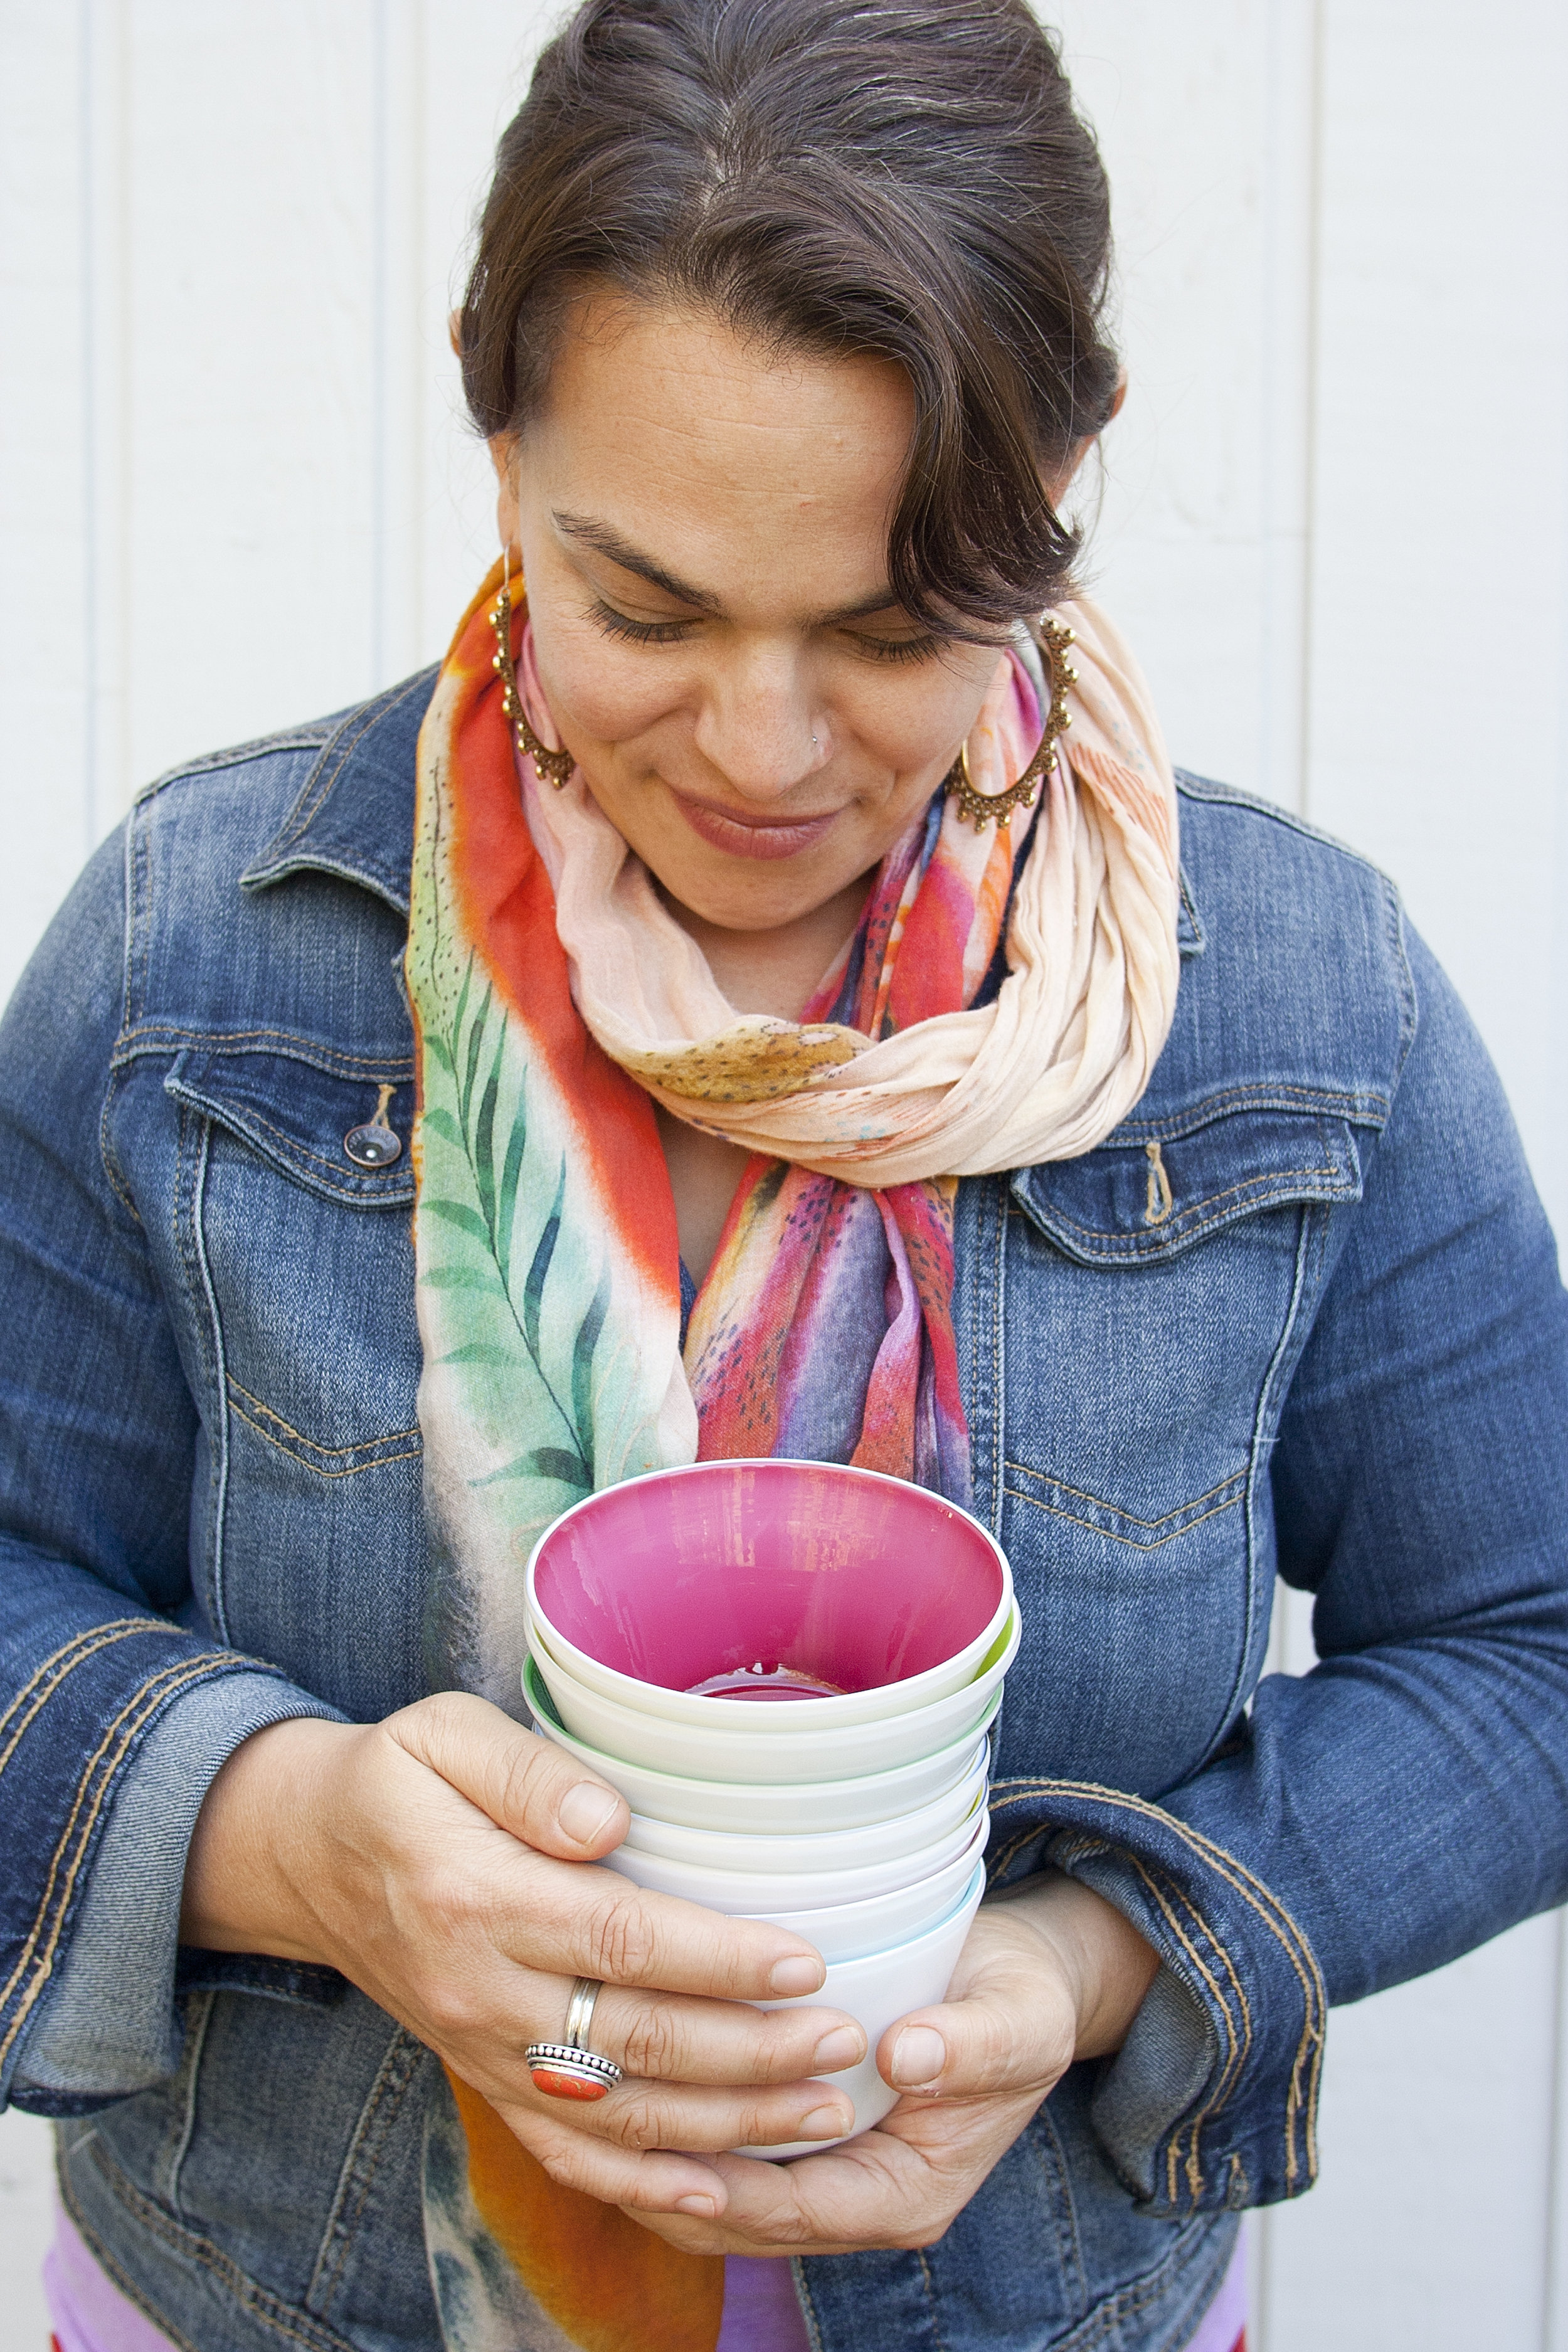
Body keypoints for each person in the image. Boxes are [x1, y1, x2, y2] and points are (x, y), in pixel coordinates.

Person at [3, 2, 1565, 2348]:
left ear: (1068, 466)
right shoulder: (191, 956)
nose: (757, 752)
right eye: (638, 607)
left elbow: (1526, 1650)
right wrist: (296, 1841)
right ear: (489, 415)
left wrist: (1079, 1959)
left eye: (895, 623)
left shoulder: (1294, 1004)